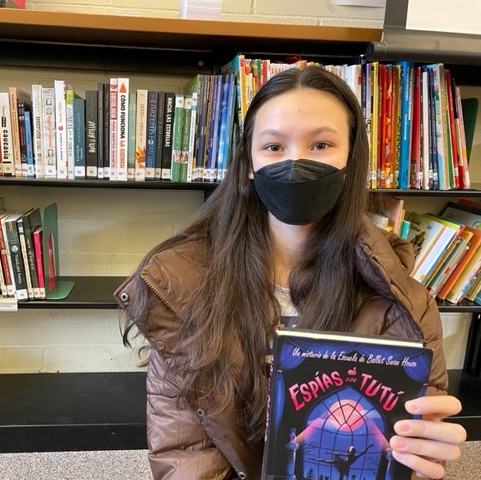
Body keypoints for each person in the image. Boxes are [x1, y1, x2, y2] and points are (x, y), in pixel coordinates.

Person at [115, 66, 467, 480]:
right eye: (274, 146)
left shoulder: (405, 304)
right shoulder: (184, 289)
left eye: (321, 144)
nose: (296, 164)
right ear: (249, 163)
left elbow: (403, 447)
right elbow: (185, 453)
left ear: (351, 160)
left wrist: (416, 461)